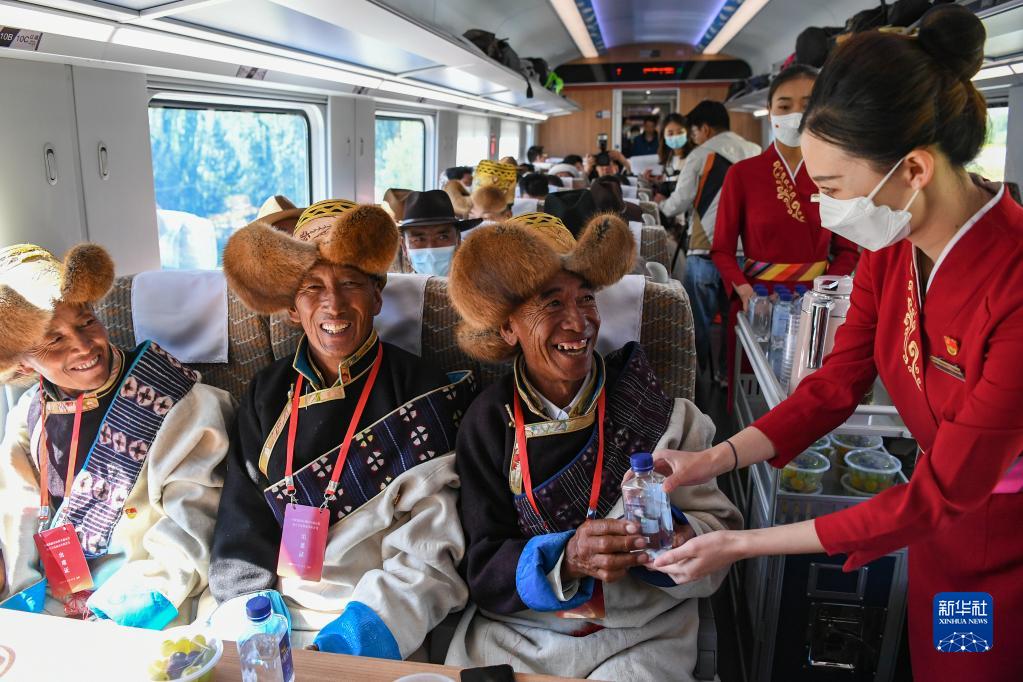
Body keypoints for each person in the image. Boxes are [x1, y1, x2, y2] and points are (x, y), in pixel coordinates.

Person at [651, 8, 1021, 681]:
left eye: (831, 189)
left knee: (971, 665)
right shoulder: (891, 248)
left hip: (1003, 543)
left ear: (912, 169)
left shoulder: (1014, 283)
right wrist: (714, 459)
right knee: (932, 658)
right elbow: (835, 384)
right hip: (938, 531)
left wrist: (740, 543)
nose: (824, 210)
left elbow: (944, 490)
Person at [443, 211, 741, 680]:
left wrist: (683, 537)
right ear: (508, 328)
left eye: (586, 298)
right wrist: (567, 558)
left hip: (643, 632)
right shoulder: (486, 422)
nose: (578, 322)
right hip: (520, 632)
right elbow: (481, 563)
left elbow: (718, 527)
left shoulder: (659, 411)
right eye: (551, 303)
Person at [210, 200, 473, 655]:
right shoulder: (266, 393)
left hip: (383, 617)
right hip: (277, 612)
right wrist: (254, 619)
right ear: (293, 309)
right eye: (312, 287)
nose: (333, 303)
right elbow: (242, 518)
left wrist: (355, 640)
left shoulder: (422, 388)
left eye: (350, 282)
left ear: (377, 295)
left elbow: (430, 550)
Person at [0, 243, 234, 627]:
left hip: (148, 599)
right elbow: (19, 523)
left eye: (86, 322)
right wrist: (30, 616)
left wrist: (112, 620)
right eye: (54, 340)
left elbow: (188, 541)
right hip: (55, 602)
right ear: (23, 362)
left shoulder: (185, 407)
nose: (83, 345)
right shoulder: (28, 416)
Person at [712, 65, 859, 398]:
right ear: (770, 112)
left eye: (807, 104)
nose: (796, 114)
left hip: (817, 305)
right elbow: (722, 250)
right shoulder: (742, 174)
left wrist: (824, 295)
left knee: (810, 395)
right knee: (754, 395)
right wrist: (745, 292)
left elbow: (848, 251)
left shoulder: (837, 173)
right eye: (784, 105)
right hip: (759, 302)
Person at [658, 100, 760, 384]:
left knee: (696, 321)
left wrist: (661, 208)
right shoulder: (755, 151)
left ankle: (696, 378)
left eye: (693, 132)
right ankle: (727, 375)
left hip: (705, 250)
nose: (694, 137)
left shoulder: (701, 155)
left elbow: (680, 201)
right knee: (733, 320)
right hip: (744, 253)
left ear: (705, 129)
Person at [398, 190, 481, 276]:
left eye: (442, 237)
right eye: (419, 239)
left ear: (458, 240)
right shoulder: (395, 285)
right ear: (404, 247)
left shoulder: (479, 282)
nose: (431, 249)